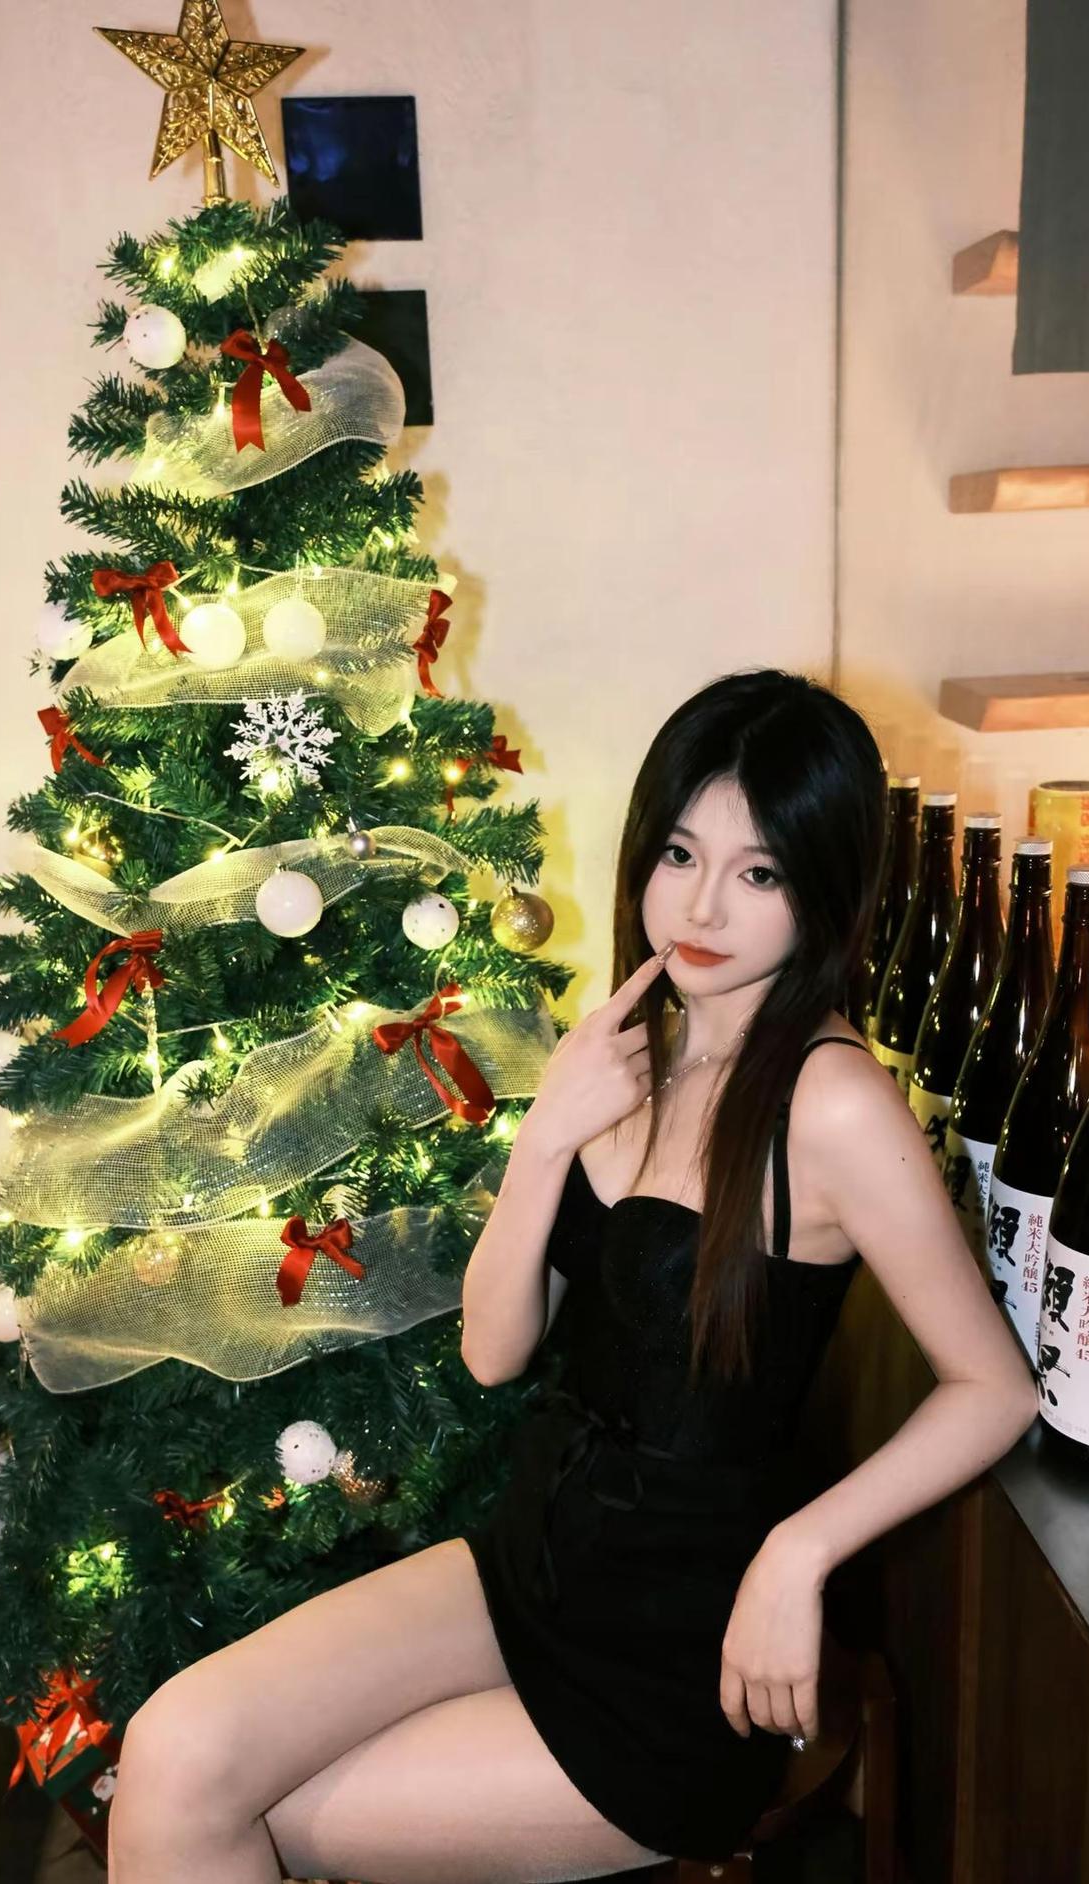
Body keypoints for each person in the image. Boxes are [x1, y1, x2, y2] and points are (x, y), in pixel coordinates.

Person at [108, 668, 1038, 1883]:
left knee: (213, 1814)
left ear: (823, 888)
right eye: (679, 854)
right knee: (172, 1747)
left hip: (673, 1664)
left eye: (758, 873)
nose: (701, 904)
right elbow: (493, 1352)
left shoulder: (831, 1103)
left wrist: (797, 1552)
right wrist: (546, 1134)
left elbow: (992, 1389)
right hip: (531, 1564)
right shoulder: (632, 1045)